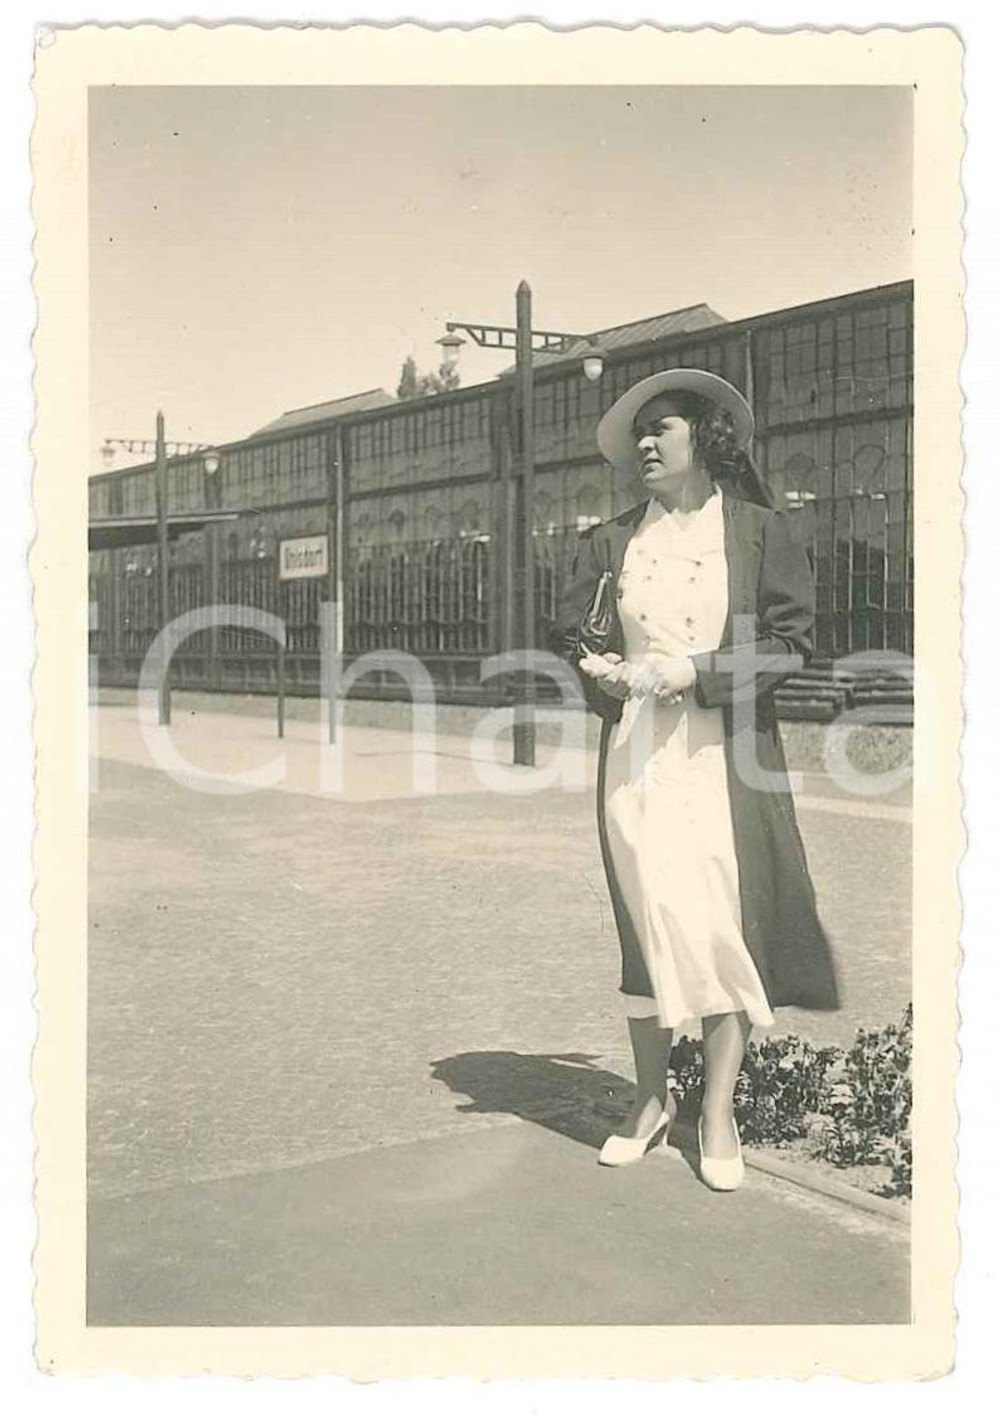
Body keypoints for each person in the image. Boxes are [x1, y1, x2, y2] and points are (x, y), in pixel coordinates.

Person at [549, 368, 839, 1191]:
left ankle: (715, 1110)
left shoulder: (755, 533)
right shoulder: (612, 541)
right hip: (636, 753)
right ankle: (649, 1101)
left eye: (661, 428)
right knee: (644, 915)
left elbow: (790, 646)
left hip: (722, 755)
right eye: (638, 434)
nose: (644, 443)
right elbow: (575, 634)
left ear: (703, 439)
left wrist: (697, 673)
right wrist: (600, 670)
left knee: (717, 917)